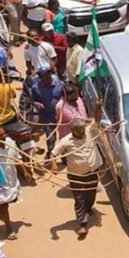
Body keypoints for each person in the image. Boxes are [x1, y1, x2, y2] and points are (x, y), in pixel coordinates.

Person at [49, 101, 105, 238]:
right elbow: (52, 153)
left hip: (92, 171)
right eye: (78, 131)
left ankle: (89, 208)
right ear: (73, 130)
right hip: (76, 175)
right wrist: (54, 165)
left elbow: (97, 120)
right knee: (79, 199)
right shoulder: (66, 140)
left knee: (91, 194)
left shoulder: (89, 131)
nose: (81, 132)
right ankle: (83, 224)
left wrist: (98, 107)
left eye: (82, 129)